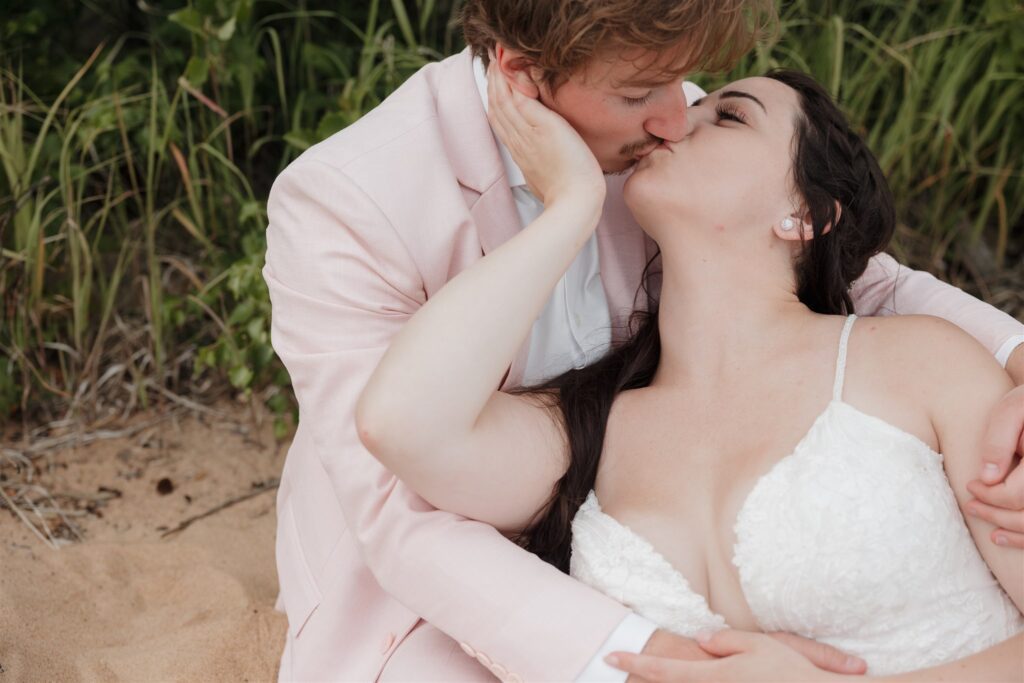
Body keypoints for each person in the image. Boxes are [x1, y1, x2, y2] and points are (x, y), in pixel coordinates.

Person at [263, 0, 1024, 679]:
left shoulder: (653, 115)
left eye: (704, 98)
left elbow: (871, 276)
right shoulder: (346, 205)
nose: (676, 116)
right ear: (522, 74)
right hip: (426, 587)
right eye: (641, 95)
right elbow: (403, 502)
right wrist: (572, 211)